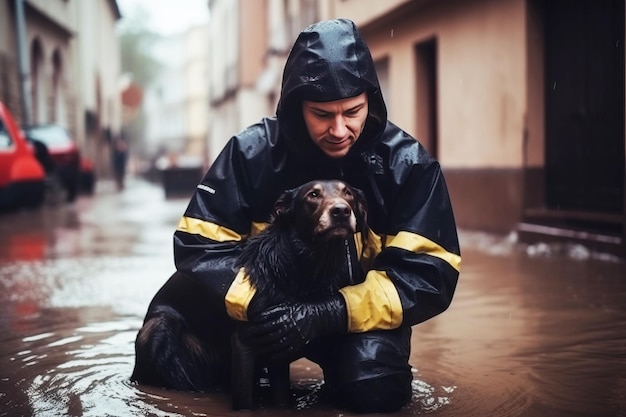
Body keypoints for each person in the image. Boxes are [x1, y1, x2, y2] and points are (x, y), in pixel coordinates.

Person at [173, 18, 461, 413]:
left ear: (370, 103)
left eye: (353, 111)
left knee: (375, 386)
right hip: (269, 312)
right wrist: (261, 307)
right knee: (209, 378)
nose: (340, 129)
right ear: (296, 108)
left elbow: (429, 275)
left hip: (352, 319)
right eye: (322, 114)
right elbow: (198, 247)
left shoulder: (407, 166)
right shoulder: (251, 154)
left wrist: (330, 313)